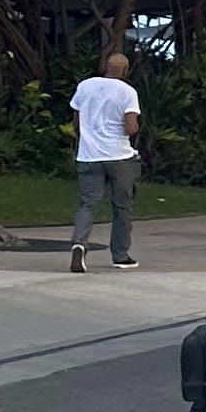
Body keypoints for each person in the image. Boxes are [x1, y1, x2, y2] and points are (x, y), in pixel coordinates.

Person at [69, 47, 144, 272]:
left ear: (105, 67)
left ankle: (79, 244)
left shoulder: (85, 86)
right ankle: (120, 255)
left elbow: (76, 121)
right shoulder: (128, 92)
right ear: (125, 70)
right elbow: (130, 128)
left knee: (87, 203)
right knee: (121, 206)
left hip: (89, 156)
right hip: (119, 156)